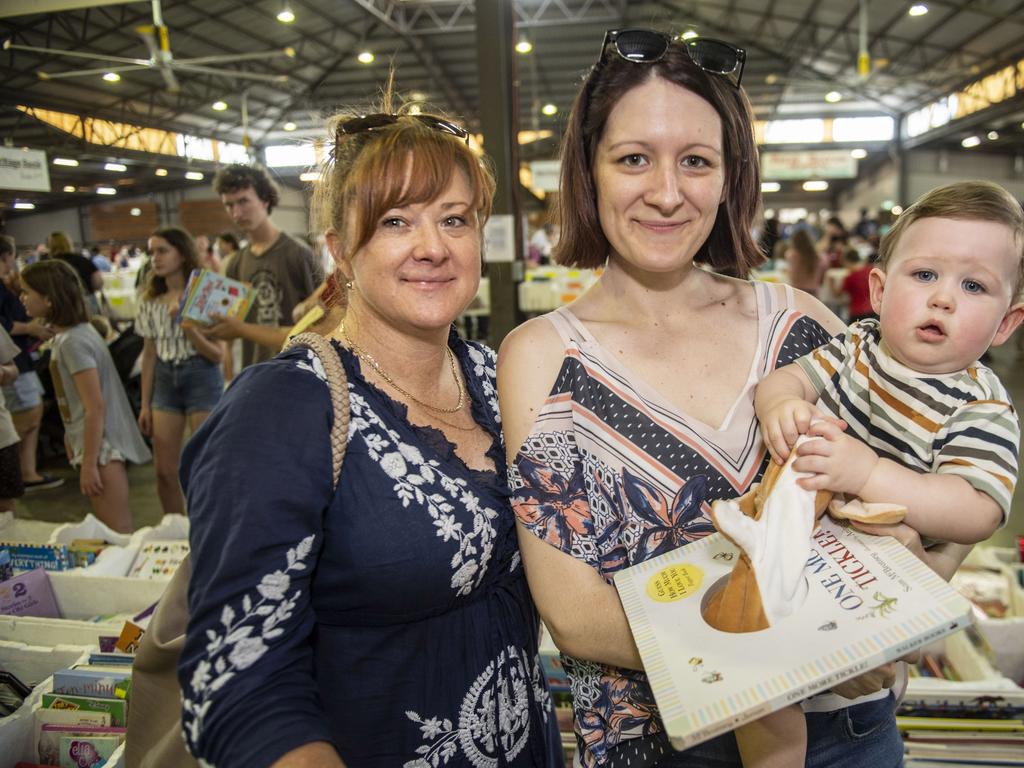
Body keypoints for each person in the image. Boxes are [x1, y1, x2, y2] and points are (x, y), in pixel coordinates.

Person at [497, 27, 955, 768]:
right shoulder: (542, 358)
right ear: (589, 169)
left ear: (730, 175)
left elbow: (935, 485)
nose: (668, 193)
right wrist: (806, 652)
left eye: (697, 162)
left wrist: (898, 595)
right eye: (634, 159)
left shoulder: (802, 326)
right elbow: (577, 614)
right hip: (667, 738)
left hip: (848, 736)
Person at [178, 96, 563, 767]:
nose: (434, 248)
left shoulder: (500, 378)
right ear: (339, 252)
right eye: (395, 222)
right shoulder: (286, 408)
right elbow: (235, 678)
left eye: (455, 219)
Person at [754, 180, 1024, 767]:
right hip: (799, 560)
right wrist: (781, 406)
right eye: (924, 275)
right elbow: (787, 380)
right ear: (879, 289)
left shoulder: (978, 407)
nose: (943, 299)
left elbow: (976, 508)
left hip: (875, 589)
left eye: (974, 286)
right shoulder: (857, 347)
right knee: (762, 695)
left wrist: (868, 471)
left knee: (846, 701)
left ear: (1006, 323)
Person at [20, 260, 150, 533]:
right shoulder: (72, 336)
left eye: (27, 291)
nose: (23, 298)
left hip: (101, 449)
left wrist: (90, 462)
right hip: (93, 444)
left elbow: (95, 407)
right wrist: (72, 437)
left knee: (116, 531)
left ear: (48, 298)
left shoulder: (73, 341)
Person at [136, 227, 224, 517]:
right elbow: (148, 354)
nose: (155, 259)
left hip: (201, 374)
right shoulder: (148, 299)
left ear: (181, 253)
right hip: (164, 378)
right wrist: (145, 404)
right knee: (163, 470)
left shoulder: (205, 293)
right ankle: (175, 528)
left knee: (204, 465)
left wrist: (187, 324)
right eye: (152, 252)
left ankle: (206, 525)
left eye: (162, 251)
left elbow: (216, 354)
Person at [206, 164, 320, 369]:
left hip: (297, 368)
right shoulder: (235, 263)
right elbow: (230, 326)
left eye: (243, 201)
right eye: (229, 205)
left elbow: (320, 319)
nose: (237, 212)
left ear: (265, 200)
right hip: (254, 369)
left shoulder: (297, 254)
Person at [0, 235, 62, 492]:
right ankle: (22, 471)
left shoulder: (6, 286)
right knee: (26, 416)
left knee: (32, 413)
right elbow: (5, 324)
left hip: (17, 360)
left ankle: (26, 470)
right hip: (15, 360)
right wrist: (30, 328)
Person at [45, 231, 103, 312]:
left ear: (49, 246)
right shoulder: (83, 260)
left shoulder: (46, 265)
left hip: (59, 305)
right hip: (86, 302)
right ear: (68, 243)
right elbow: (98, 283)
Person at [783, 230, 824, 297]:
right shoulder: (817, 257)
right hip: (813, 294)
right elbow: (821, 278)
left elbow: (792, 277)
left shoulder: (792, 255)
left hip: (797, 293)